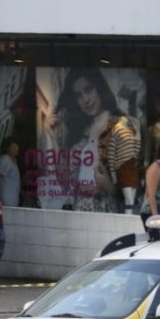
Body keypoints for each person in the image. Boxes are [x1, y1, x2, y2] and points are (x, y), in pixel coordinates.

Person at [46, 67, 123, 212]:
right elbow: (65, 183)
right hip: (80, 209)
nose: (85, 100)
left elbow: (131, 186)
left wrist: (108, 186)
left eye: (88, 90)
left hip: (106, 210)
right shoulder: (81, 134)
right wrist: (54, 138)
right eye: (79, 96)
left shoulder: (119, 126)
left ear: (99, 88)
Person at [0, 137, 21, 207]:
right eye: (13, 147)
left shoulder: (13, 160)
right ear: (8, 148)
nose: (16, 149)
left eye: (17, 147)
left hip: (13, 197)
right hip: (5, 198)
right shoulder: (4, 160)